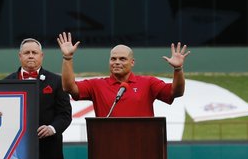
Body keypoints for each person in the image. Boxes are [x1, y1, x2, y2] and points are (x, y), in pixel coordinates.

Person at [57, 32, 189, 117]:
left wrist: (178, 69)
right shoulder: (97, 85)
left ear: (132, 62)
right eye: (113, 59)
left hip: (141, 145)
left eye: (122, 59)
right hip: (109, 146)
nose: (117, 62)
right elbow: (69, 87)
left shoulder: (148, 83)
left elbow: (176, 92)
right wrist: (67, 58)